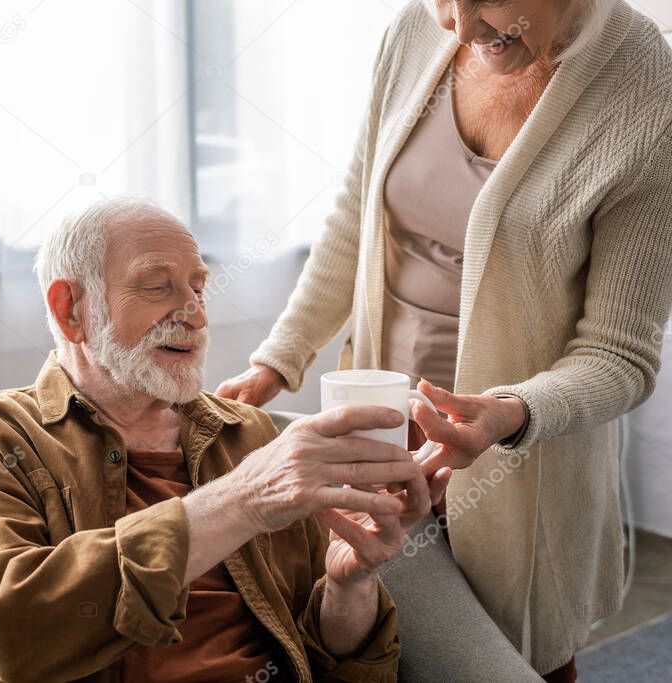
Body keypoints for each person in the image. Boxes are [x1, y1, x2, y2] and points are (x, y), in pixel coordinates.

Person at [217, 0, 672, 679]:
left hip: (518, 467)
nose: (458, 25)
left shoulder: (643, 88)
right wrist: (278, 361)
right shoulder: (414, 33)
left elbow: (620, 354)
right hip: (379, 437)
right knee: (377, 650)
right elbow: (355, 216)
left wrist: (509, 414)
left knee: (509, 661)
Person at [0, 198, 450, 682]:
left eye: (198, 288)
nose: (197, 315)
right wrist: (244, 499)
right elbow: (10, 632)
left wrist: (349, 584)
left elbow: (341, 667)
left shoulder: (248, 433)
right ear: (71, 309)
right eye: (158, 287)